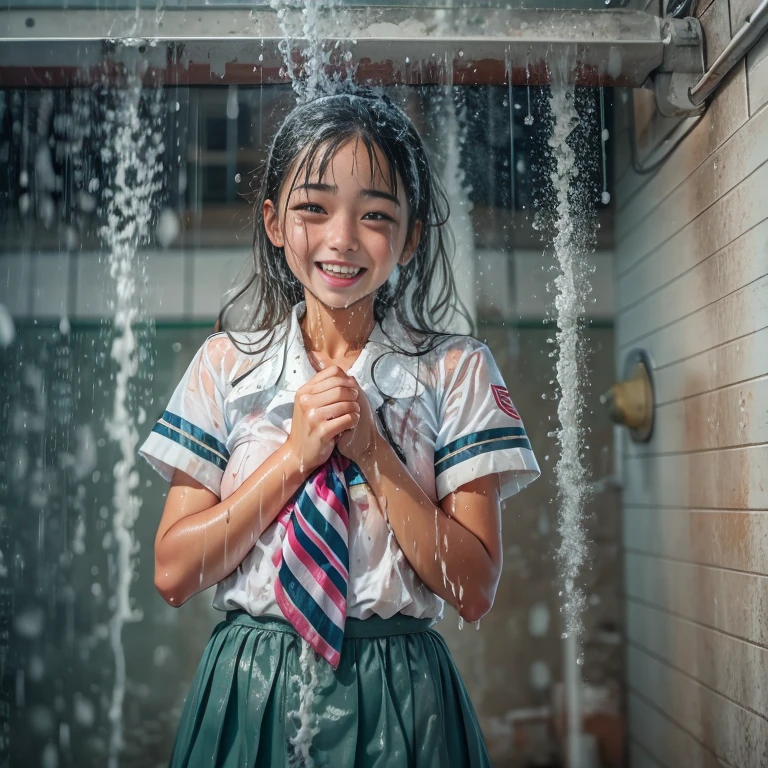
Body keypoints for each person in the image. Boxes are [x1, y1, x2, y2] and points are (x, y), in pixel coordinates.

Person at [139, 89, 540, 768]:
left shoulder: (457, 369)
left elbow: (473, 588)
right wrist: (295, 457)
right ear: (273, 221)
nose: (342, 238)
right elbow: (175, 572)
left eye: (376, 215)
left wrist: (373, 452)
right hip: (249, 686)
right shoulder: (224, 366)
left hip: (400, 689)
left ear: (411, 235)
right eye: (312, 208)